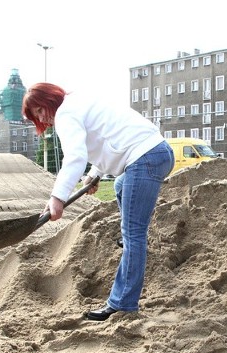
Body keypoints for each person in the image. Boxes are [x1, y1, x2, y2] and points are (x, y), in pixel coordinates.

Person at [22, 82, 174, 321]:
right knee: (120, 185)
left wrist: (57, 198)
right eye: (37, 116)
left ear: (50, 99)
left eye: (41, 111)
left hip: (144, 157)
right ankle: (130, 242)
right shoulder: (80, 101)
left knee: (134, 233)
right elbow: (107, 141)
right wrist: (94, 175)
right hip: (158, 151)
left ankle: (123, 304)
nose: (44, 118)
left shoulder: (65, 113)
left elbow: (75, 156)